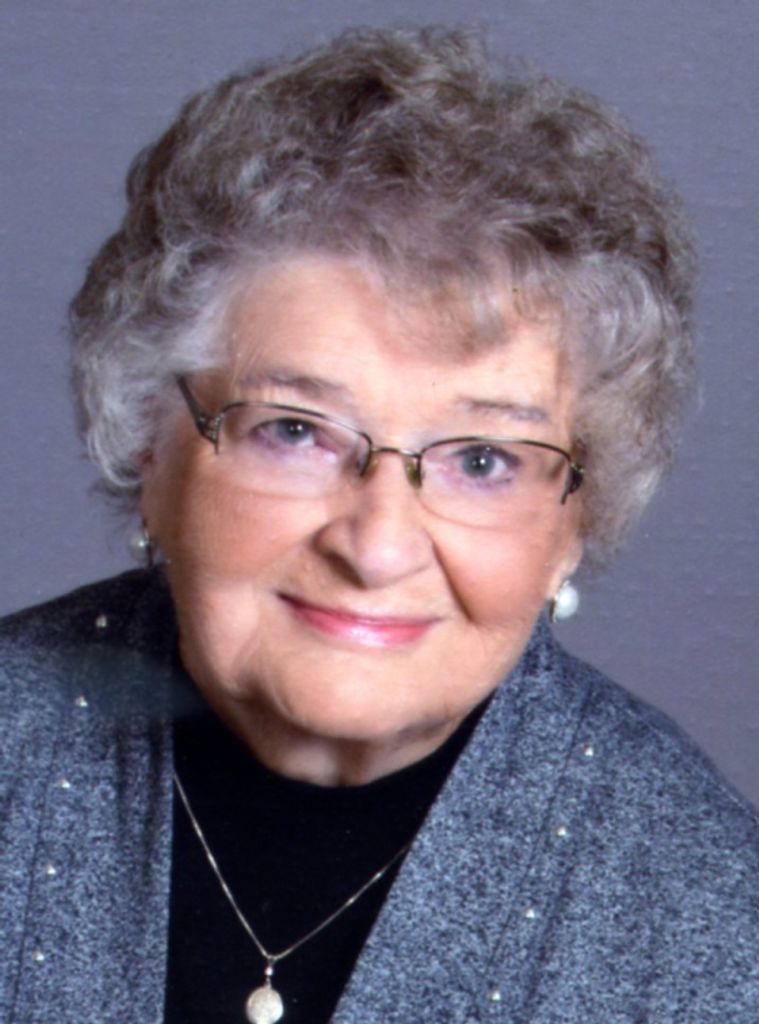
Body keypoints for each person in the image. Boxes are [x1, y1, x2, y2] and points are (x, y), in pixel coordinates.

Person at [2, 26, 758, 1024]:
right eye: (295, 431)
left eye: (482, 460)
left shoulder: (706, 915)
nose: (378, 546)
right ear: (149, 445)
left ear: (574, 522)